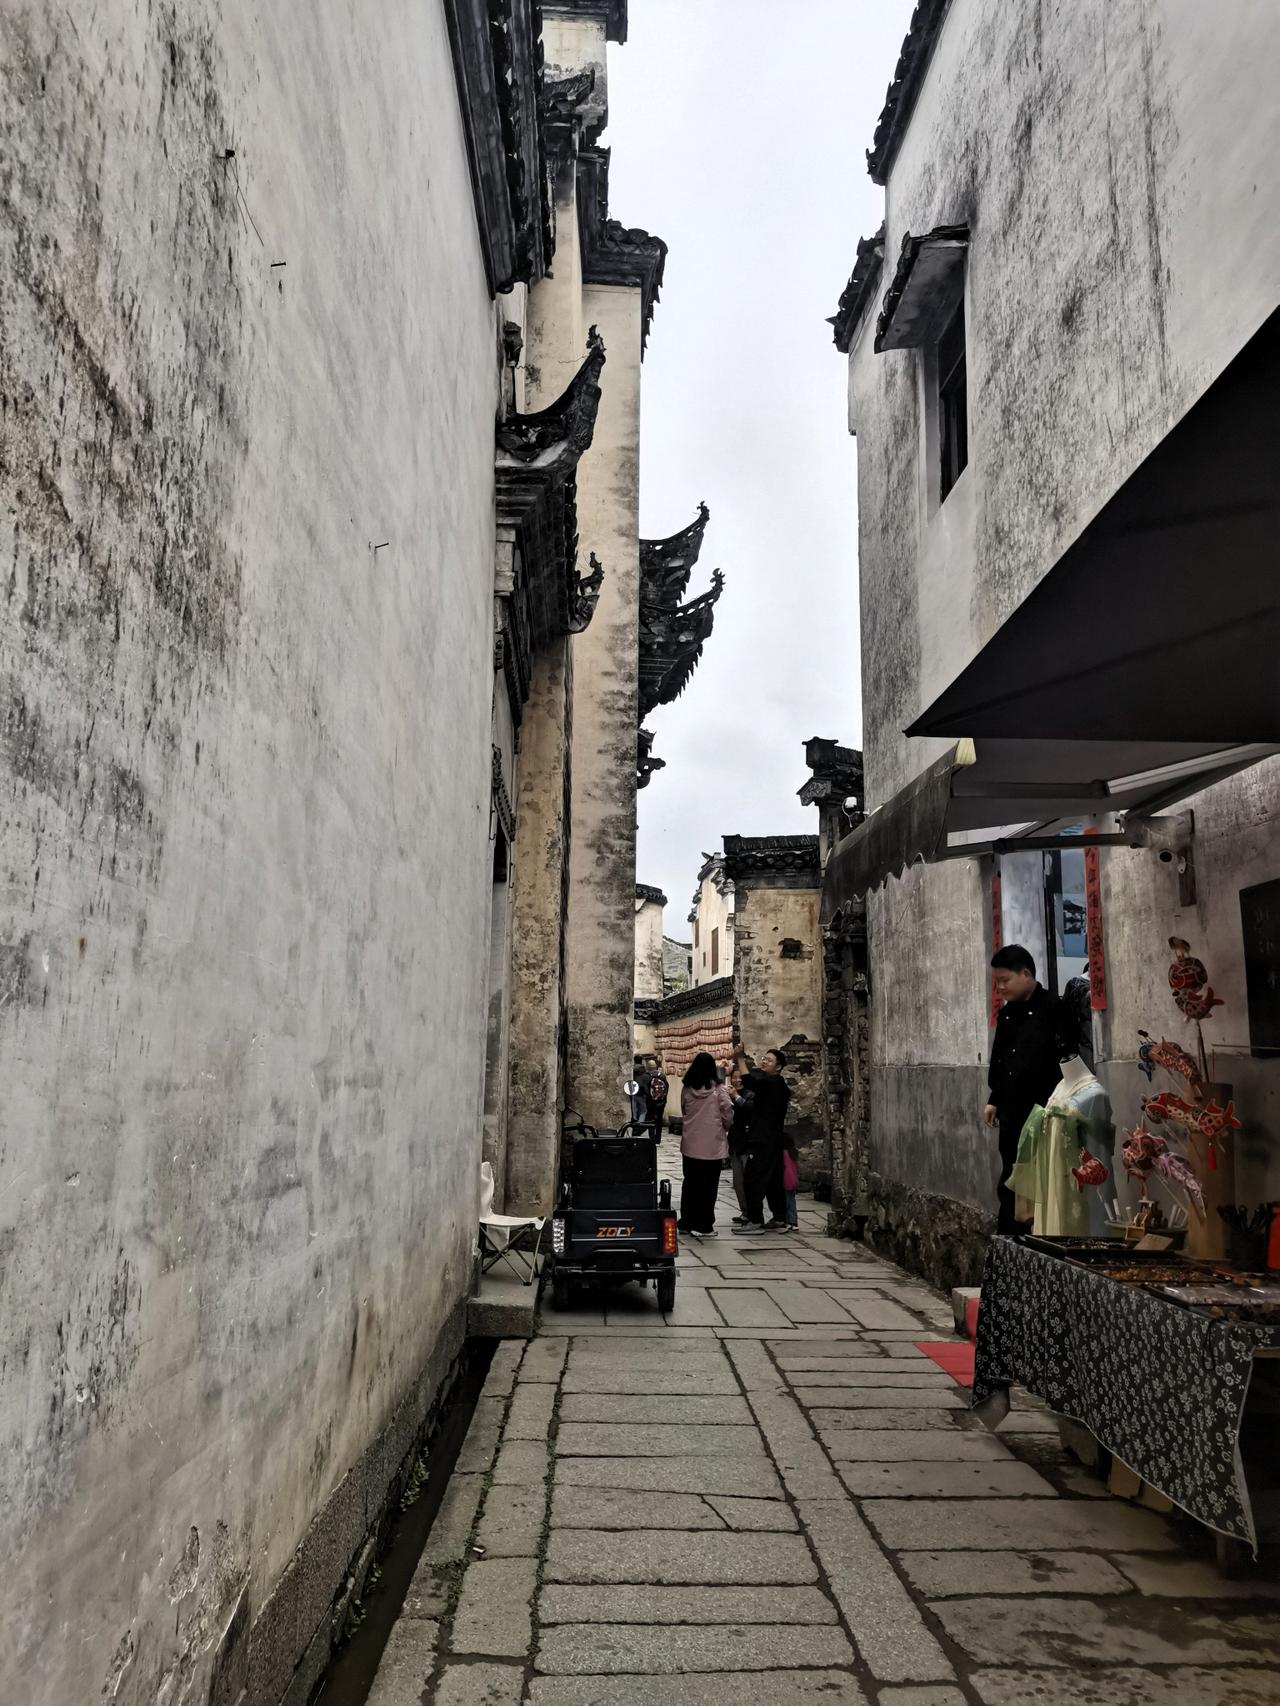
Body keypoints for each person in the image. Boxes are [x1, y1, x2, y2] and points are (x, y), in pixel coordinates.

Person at [984, 944, 1070, 1235]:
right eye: (997, 982)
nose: (1000, 988)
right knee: (1010, 1176)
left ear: (1026, 974)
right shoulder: (1008, 1014)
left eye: (1005, 980)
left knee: (1042, 1180)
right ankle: (1008, 1241)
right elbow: (1001, 1059)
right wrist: (994, 1098)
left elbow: (1067, 1060)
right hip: (1012, 1111)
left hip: (1045, 1110)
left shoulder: (1054, 1009)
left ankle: (1039, 1240)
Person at [730, 1045, 792, 1234]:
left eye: (769, 1060)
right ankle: (779, 1217)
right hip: (773, 1139)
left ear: (778, 1067)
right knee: (773, 1181)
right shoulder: (779, 1085)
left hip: (763, 1140)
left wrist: (740, 1058)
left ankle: (755, 1220)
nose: (764, 1061)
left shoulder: (771, 1083)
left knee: (752, 1179)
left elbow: (749, 1081)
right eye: (764, 1058)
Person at [678, 1052, 733, 1238]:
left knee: (690, 1184)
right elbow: (728, 1113)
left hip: (690, 1145)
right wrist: (725, 1126)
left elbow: (684, 1110)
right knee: (708, 1187)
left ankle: (686, 1222)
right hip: (712, 1146)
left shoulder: (687, 1089)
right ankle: (703, 1225)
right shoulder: (718, 1090)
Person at [643, 1054, 669, 1138]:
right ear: (656, 1066)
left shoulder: (646, 1076)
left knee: (650, 1119)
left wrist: (649, 1098)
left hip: (651, 1102)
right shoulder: (662, 1075)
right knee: (659, 1119)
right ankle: (658, 1137)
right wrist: (664, 1098)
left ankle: (651, 1136)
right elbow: (667, 1087)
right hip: (661, 1101)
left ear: (648, 1067)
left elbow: (645, 1089)